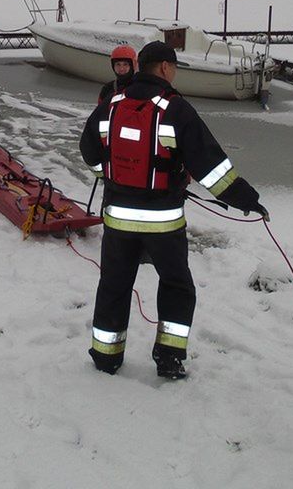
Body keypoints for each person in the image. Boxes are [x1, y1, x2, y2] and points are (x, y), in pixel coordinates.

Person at [79, 40, 268, 379]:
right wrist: (247, 200)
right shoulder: (176, 109)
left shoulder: (110, 104)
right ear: (165, 68)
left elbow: (89, 151)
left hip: (118, 219)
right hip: (163, 224)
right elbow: (211, 167)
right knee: (177, 287)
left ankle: (106, 356)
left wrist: (112, 180)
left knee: (113, 285)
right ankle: (168, 359)